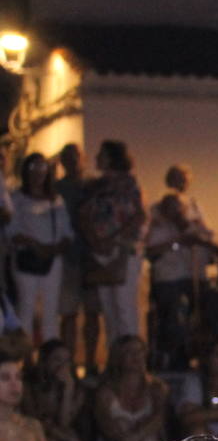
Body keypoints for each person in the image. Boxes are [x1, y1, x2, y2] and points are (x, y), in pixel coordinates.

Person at [144, 164, 218, 370]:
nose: (177, 214)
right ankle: (177, 357)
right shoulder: (156, 221)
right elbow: (148, 251)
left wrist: (201, 241)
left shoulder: (196, 219)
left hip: (197, 279)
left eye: (180, 210)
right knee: (176, 305)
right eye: (172, 210)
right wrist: (178, 242)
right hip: (169, 281)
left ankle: (217, 353)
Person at [79, 140, 147, 354]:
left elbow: (138, 215)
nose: (97, 158)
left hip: (123, 250)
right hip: (100, 251)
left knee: (124, 306)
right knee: (108, 309)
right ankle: (114, 356)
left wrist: (114, 238)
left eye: (102, 154)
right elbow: (84, 215)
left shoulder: (129, 184)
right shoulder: (95, 186)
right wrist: (96, 241)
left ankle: (132, 354)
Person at [8, 152, 74, 344]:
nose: (38, 173)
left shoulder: (55, 200)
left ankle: (49, 355)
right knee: (26, 308)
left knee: (50, 309)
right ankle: (25, 358)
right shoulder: (17, 198)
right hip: (26, 258)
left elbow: (66, 232)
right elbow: (12, 230)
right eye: (33, 168)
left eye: (42, 168)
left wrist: (53, 249)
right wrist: (35, 245)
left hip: (52, 259)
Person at [53, 143, 102, 372]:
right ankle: (69, 361)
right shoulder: (57, 188)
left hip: (92, 257)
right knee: (69, 313)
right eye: (68, 158)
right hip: (68, 259)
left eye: (76, 157)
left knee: (92, 313)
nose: (73, 162)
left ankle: (91, 360)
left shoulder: (93, 186)